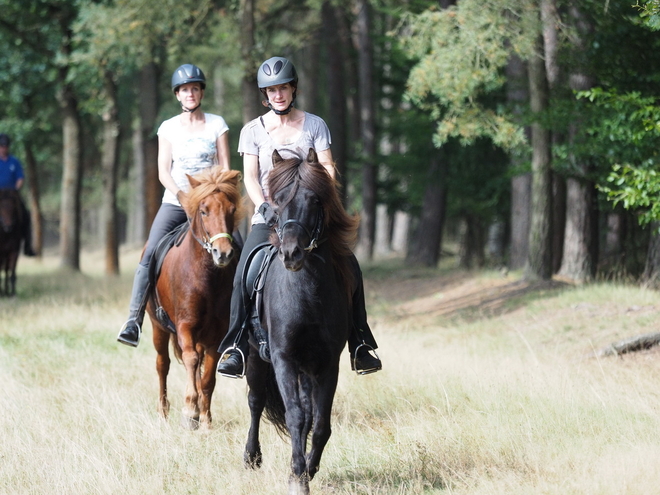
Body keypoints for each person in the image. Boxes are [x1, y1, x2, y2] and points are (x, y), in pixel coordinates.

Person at [216, 56, 382, 377]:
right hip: (270, 216)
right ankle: (236, 344)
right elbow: (250, 176)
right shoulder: (252, 131)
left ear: (294, 89)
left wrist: (321, 194)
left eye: (284, 88)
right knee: (243, 272)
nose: (278, 94)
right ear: (266, 95)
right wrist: (263, 205)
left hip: (311, 216)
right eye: (272, 90)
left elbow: (328, 166)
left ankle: (360, 342)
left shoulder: (315, 125)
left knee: (349, 264)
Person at [117, 63, 231, 347]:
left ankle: (246, 326)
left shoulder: (217, 124)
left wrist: (215, 198)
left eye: (194, 88)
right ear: (177, 95)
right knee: (150, 252)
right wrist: (183, 197)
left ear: (201, 92)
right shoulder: (168, 128)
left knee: (238, 251)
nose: (190, 94)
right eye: (184, 90)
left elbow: (226, 167)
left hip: (212, 205)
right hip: (176, 203)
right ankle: (133, 320)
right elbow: (163, 172)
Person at [0, 133, 36, 257]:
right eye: (1, 146)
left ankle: (27, 246)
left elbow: (20, 178)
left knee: (26, 214)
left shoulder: (14, 162)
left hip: (11, 194)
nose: (4, 148)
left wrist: (16, 189)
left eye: (6, 146)